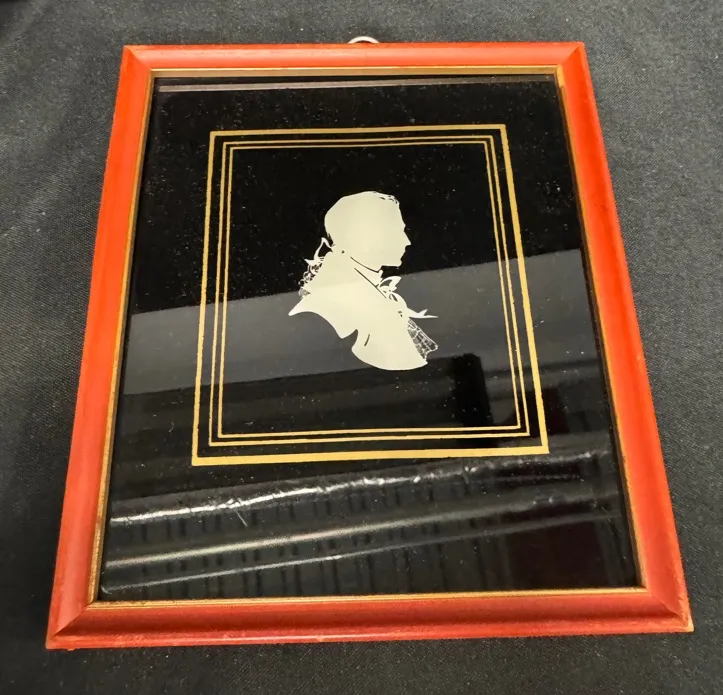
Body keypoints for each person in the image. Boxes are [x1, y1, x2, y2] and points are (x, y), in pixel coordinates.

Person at [289, 191, 438, 371]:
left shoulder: (361, 286)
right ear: (364, 237)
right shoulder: (323, 306)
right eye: (396, 232)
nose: (407, 241)